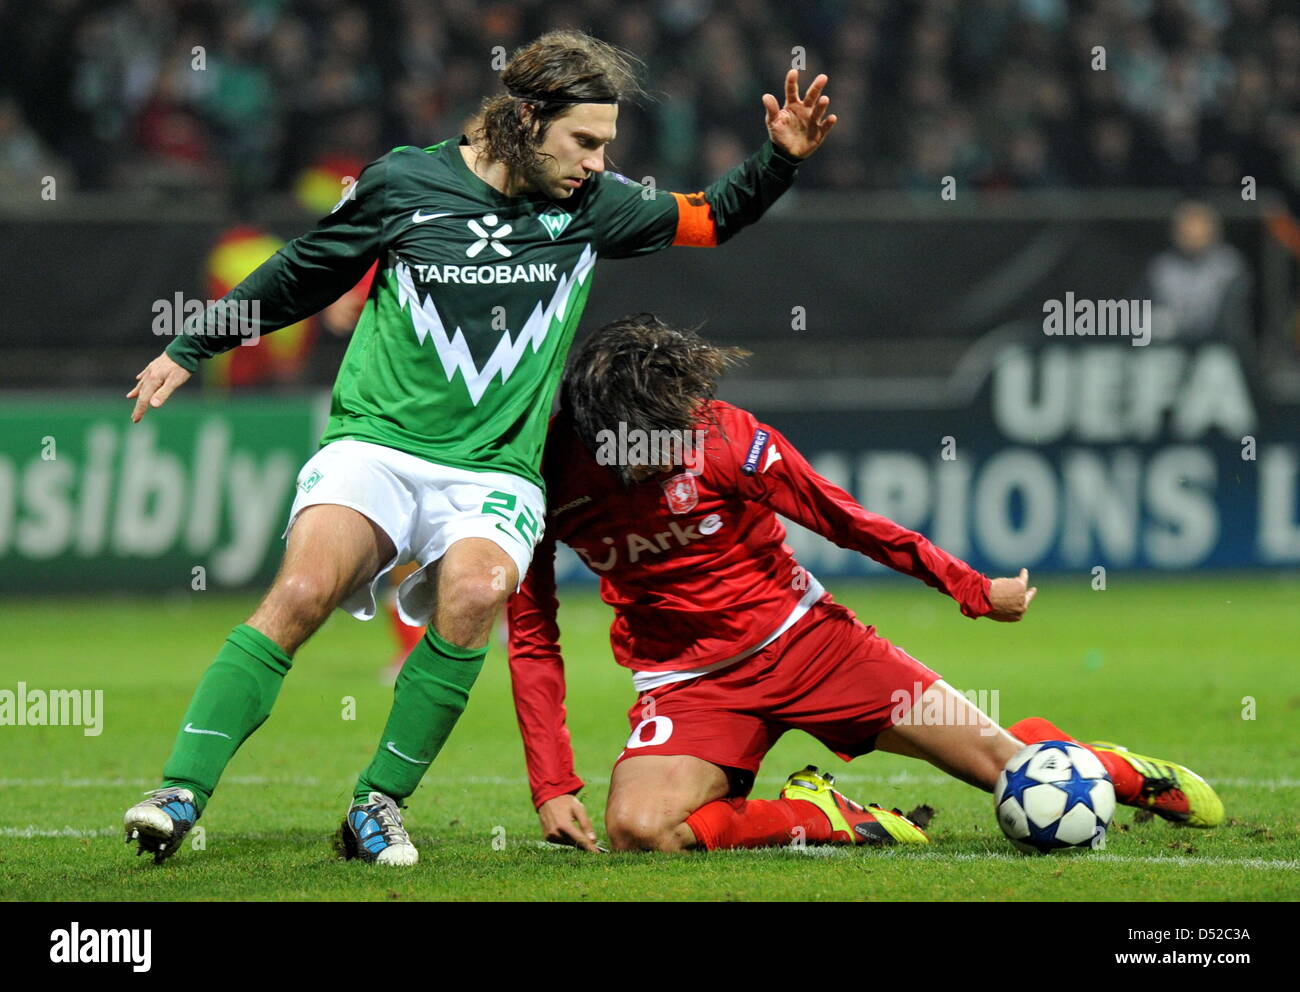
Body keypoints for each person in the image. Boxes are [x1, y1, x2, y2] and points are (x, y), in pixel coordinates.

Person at [121, 31, 837, 866]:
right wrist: (190, 347)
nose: (599, 162)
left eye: (606, 145)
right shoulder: (404, 182)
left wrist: (779, 159)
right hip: (379, 443)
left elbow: (709, 218)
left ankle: (376, 805)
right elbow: (304, 271)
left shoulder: (592, 204)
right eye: (585, 141)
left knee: (477, 592)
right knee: (305, 588)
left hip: (494, 466)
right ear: (528, 119)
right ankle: (181, 791)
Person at [508, 315, 1224, 852]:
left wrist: (973, 590)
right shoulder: (545, 476)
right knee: (638, 831)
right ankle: (821, 814)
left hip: (814, 648)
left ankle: (1121, 772)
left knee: (1012, 772)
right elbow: (533, 631)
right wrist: (552, 783)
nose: (663, 456)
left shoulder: (723, 439)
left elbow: (849, 522)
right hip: (689, 684)